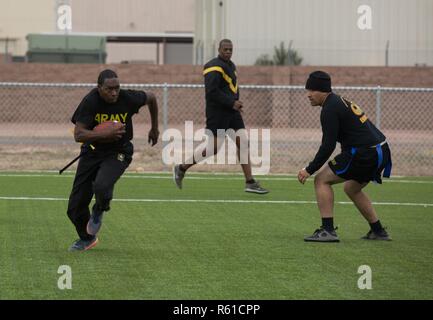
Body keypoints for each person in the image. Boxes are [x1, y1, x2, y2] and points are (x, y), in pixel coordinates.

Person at [66, 69, 159, 251]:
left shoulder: (128, 98)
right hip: (92, 152)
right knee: (74, 207)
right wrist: (104, 133)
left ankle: (100, 208)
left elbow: (152, 97)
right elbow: (78, 134)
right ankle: (87, 238)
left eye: (117, 88)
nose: (114, 92)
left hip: (119, 151)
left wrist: (154, 128)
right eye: (109, 89)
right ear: (99, 88)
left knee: (101, 185)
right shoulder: (91, 101)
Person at [298, 71, 392, 242]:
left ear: (324, 90)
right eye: (307, 90)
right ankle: (378, 231)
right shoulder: (337, 101)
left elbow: (328, 146)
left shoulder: (329, 109)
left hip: (365, 152)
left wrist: (309, 169)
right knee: (352, 188)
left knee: (321, 180)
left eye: (312, 90)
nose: (309, 95)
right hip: (381, 149)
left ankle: (327, 231)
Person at [173, 39, 268, 194]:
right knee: (213, 148)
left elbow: (231, 88)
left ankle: (250, 182)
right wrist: (232, 102)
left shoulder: (231, 66)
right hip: (217, 113)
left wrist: (236, 104)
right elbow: (212, 91)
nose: (228, 52)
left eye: (230, 49)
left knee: (243, 142)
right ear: (219, 49)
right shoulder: (213, 66)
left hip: (232, 112)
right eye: (225, 49)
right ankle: (181, 168)